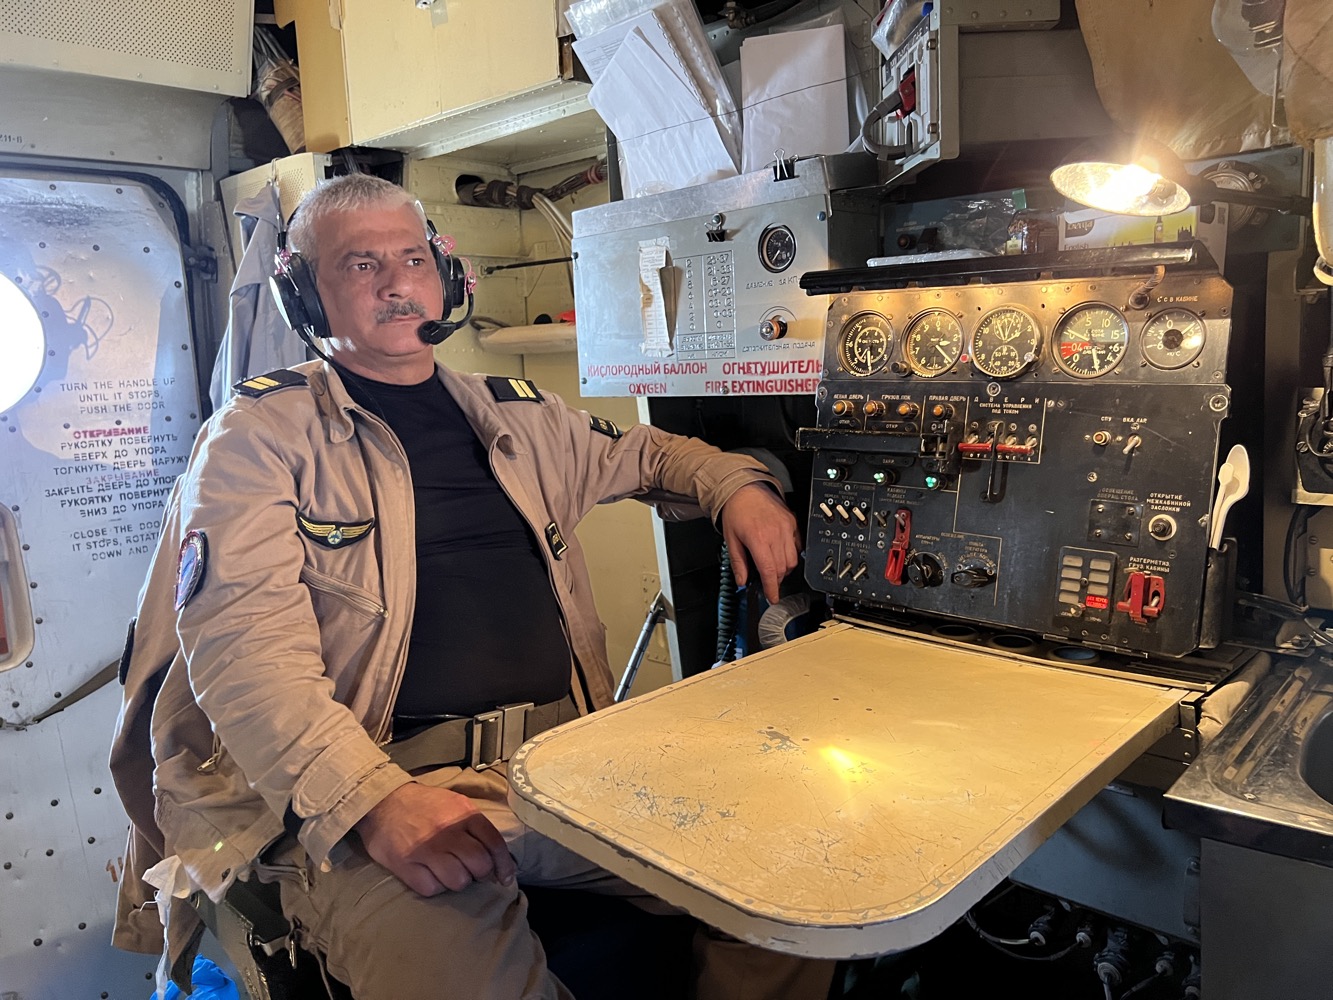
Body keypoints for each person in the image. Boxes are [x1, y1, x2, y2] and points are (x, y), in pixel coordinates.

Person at [109, 174, 834, 1000]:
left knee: (796, 882)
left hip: (562, 769)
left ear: (446, 281)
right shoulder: (257, 437)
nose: (394, 282)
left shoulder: (518, 416)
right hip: (380, 784)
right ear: (303, 294)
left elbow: (652, 455)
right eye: (359, 264)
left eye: (412, 258)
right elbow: (245, 654)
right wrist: (372, 803)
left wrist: (737, 486)